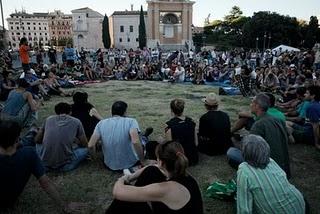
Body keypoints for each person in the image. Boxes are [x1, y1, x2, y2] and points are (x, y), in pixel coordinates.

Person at [0, 120, 84, 213]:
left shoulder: (27, 153)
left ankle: (31, 133)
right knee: (27, 141)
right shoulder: (29, 154)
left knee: (27, 141)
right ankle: (32, 132)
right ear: (16, 139)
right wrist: (64, 205)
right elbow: (45, 183)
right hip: (8, 201)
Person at [106, 141, 203, 214]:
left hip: (167, 195)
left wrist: (122, 179)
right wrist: (131, 177)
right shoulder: (186, 175)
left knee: (123, 199)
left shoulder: (165, 189)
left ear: (160, 162)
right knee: (151, 170)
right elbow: (152, 167)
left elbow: (117, 192)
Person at [237, 134, 306, 214]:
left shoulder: (244, 170)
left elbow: (244, 210)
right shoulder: (271, 161)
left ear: (245, 152)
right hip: (299, 206)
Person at [228, 93, 291, 178]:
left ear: (257, 106)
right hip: (284, 168)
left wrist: (234, 142)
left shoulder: (258, 125)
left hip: (268, 168)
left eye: (252, 102)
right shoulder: (278, 120)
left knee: (231, 152)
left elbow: (250, 153)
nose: (250, 105)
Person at [88, 101, 146, 171]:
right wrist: (142, 160)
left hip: (109, 165)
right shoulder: (131, 121)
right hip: (131, 163)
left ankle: (144, 136)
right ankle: (144, 136)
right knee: (142, 141)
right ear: (125, 112)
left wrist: (95, 161)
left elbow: (90, 145)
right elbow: (135, 142)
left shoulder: (101, 123)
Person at [35, 102, 88, 172]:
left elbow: (37, 140)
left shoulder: (48, 119)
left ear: (56, 112)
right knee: (86, 150)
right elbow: (85, 144)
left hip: (44, 164)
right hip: (65, 166)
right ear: (70, 112)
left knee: (38, 145)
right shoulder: (76, 121)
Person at [165, 99, 198, 165]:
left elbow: (169, 147)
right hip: (193, 158)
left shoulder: (169, 125)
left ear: (171, 110)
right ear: (183, 109)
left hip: (179, 160)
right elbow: (196, 143)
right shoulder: (191, 122)